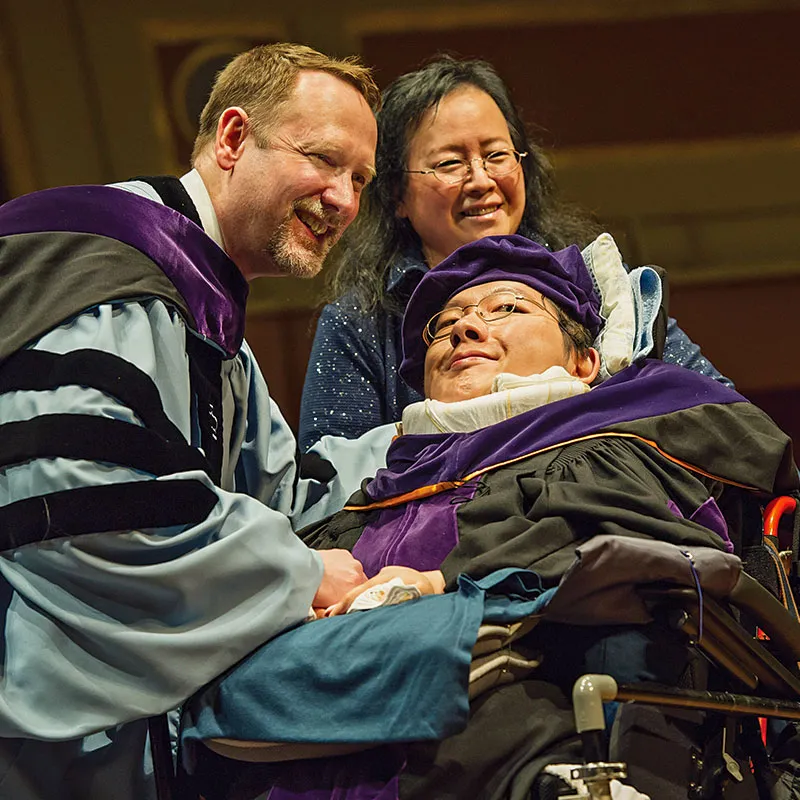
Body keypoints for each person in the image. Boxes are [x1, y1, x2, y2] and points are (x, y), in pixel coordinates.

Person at [183, 235, 797, 800]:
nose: (463, 328)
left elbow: (612, 559)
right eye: (442, 326)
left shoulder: (614, 448)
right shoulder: (361, 500)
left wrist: (434, 586)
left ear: (584, 362)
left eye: (505, 308)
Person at [0, 43, 394, 800]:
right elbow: (87, 506)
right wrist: (301, 572)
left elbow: (285, 494)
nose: (344, 199)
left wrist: (444, 431)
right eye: (322, 159)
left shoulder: (208, 325)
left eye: (361, 180)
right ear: (233, 138)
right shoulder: (104, 268)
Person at [298, 55, 731, 451]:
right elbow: (330, 484)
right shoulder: (359, 322)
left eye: (497, 155)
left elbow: (725, 421)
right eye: (450, 163)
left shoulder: (612, 297)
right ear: (397, 195)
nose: (481, 179)